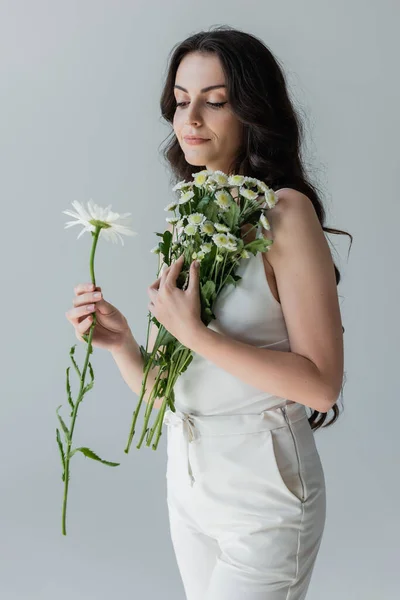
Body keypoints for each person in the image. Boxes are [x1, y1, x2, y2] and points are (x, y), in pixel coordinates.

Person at [65, 25, 352, 600]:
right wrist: (124, 345)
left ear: (252, 111)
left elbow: (322, 387)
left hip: (265, 490)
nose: (190, 118)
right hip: (190, 482)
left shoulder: (284, 213)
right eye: (180, 100)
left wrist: (194, 332)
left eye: (214, 102)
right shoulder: (189, 214)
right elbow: (174, 393)